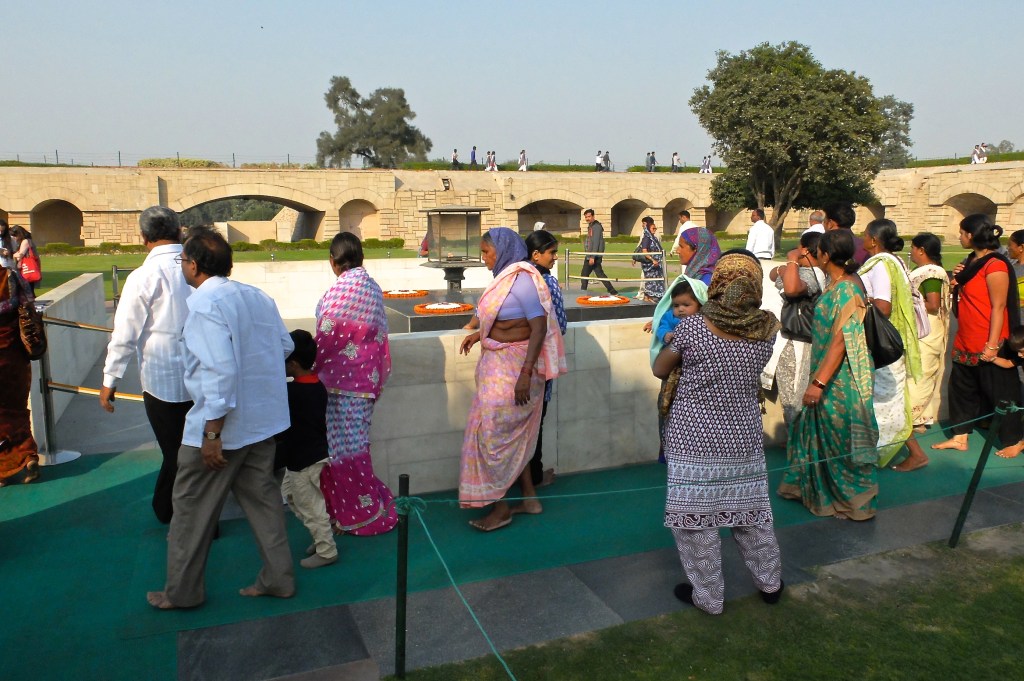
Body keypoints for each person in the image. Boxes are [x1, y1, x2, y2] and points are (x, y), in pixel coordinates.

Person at [147, 226, 294, 610]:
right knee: (264, 506)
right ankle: (279, 579)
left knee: (190, 512)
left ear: (193, 265)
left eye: (183, 260)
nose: (182, 265)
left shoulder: (204, 305)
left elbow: (220, 371)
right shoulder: (257, 297)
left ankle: (181, 593)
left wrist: (212, 433)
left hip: (220, 433)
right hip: (261, 426)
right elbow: (284, 346)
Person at [653, 251, 784, 615]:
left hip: (693, 436)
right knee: (751, 516)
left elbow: (659, 369)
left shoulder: (693, 327)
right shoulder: (766, 330)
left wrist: (673, 344)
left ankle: (709, 597)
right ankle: (770, 583)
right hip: (742, 435)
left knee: (697, 524)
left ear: (718, 284)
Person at [459, 227, 566, 531]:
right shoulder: (506, 280)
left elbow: (538, 327)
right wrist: (480, 336)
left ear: (502, 250)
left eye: (486, 252)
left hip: (515, 371)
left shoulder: (521, 281)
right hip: (501, 366)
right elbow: (506, 323)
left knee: (492, 437)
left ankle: (502, 508)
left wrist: (525, 373)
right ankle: (530, 498)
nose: (483, 259)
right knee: (515, 439)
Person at [100, 206, 193, 524]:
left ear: (144, 238)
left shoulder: (143, 277)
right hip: (203, 376)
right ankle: (167, 507)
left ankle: (184, 514)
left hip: (161, 380)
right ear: (179, 231)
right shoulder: (198, 265)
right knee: (186, 452)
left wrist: (110, 378)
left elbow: (125, 332)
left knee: (178, 454)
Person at [778, 229, 879, 520]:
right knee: (820, 434)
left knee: (841, 439)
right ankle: (822, 493)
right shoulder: (834, 285)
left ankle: (855, 503)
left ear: (824, 255)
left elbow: (840, 342)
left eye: (816, 252)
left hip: (839, 380)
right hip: (824, 372)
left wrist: (818, 383)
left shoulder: (847, 289)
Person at [315, 232, 397, 536]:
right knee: (357, 448)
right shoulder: (372, 288)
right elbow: (380, 339)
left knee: (339, 451)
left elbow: (323, 339)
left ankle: (357, 514)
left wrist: (308, 367)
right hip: (365, 385)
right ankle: (359, 508)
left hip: (337, 388)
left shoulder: (338, 292)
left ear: (334, 263)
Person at [932, 214, 1022, 456]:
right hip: (966, 338)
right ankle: (960, 436)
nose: (960, 237)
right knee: (962, 389)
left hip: (990, 340)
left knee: (1002, 392)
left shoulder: (995, 265)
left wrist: (993, 345)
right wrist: (957, 283)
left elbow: (999, 306)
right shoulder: (971, 261)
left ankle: (1015, 440)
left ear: (970, 235)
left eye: (962, 233)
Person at [858, 218, 924, 469]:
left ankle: (908, 454)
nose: (862, 239)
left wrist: (859, 302)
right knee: (891, 403)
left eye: (865, 235)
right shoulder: (891, 262)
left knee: (888, 405)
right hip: (888, 343)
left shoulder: (881, 265)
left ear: (874, 240)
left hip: (884, 346)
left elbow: (883, 306)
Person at [277, 329, 338, 569]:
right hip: (307, 456)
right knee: (294, 497)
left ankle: (326, 550)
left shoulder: (293, 393)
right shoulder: (315, 385)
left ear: (292, 364)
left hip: (304, 459)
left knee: (310, 505)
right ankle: (321, 534)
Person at [523, 230, 568, 490]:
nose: (555, 258)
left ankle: (522, 479)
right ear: (536, 254)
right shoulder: (546, 281)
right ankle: (535, 478)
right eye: (551, 253)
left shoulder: (516, 277)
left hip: (514, 361)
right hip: (539, 363)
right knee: (536, 422)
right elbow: (559, 324)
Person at [646, 277, 707, 463]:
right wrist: (666, 335)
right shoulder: (670, 318)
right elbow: (662, 327)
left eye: (686, 305)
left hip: (696, 382)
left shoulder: (706, 323)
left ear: (701, 303)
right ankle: (670, 453)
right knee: (669, 413)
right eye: (676, 305)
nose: (680, 309)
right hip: (673, 374)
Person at [768, 231, 824, 426]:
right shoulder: (812, 272)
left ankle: (798, 443)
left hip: (800, 342)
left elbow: (790, 288)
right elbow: (773, 274)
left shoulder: (809, 274)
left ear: (805, 250)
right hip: (806, 340)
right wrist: (786, 269)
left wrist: (791, 262)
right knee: (794, 392)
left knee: (793, 396)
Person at [906, 233, 950, 439]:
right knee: (914, 371)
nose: (911, 251)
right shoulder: (922, 271)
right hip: (919, 330)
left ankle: (918, 419)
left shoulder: (931, 273)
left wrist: (905, 304)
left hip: (928, 330)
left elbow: (933, 304)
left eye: (913, 248)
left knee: (921, 373)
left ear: (921, 250)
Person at [0, 266, 40, 487]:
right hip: (14, 357)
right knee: (18, 409)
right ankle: (28, 456)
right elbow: (28, 306)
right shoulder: (10, 275)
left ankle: (4, 470)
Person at [580, 209, 618, 295]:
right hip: (591, 255)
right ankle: (612, 291)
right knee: (598, 274)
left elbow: (596, 242)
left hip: (593, 256)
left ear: (593, 216)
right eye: (586, 217)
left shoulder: (596, 227)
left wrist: (592, 256)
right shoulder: (591, 226)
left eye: (589, 216)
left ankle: (582, 292)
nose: (587, 218)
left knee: (585, 274)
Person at [822, 201, 869, 266]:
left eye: (824, 221)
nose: (823, 225)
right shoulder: (865, 245)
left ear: (830, 223)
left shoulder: (827, 245)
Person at [636, 216, 665, 302]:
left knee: (656, 281)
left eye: (655, 228)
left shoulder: (654, 237)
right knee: (651, 281)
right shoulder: (646, 237)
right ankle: (649, 297)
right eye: (653, 228)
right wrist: (653, 260)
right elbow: (644, 250)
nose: (655, 229)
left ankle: (648, 297)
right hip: (650, 264)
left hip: (656, 264)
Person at [10, 225, 40, 293]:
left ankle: (29, 301)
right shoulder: (27, 240)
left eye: (15, 236)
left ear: (19, 234)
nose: (14, 238)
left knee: (27, 287)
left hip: (26, 266)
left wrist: (11, 254)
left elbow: (20, 255)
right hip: (29, 266)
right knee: (29, 286)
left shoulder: (25, 241)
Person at [1006, 230, 1024, 321]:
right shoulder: (1009, 268)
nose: (1007, 248)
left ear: (1021, 247)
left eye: (1010, 245)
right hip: (1012, 323)